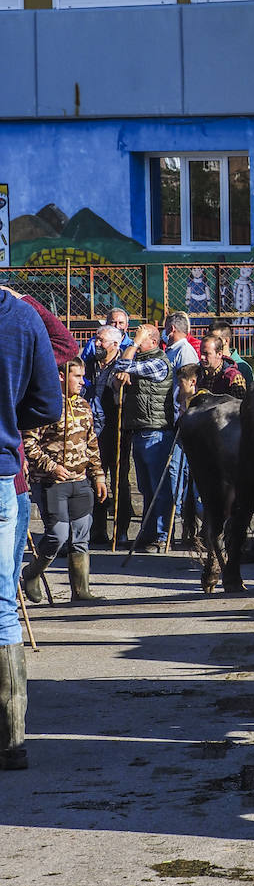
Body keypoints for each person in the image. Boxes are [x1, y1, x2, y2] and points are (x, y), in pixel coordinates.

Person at [0, 284, 64, 770]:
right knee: (2, 605)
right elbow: (48, 406)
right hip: (3, 472)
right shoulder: (22, 319)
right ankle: (10, 741)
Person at [21, 359, 107, 603]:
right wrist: (51, 467)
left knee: (81, 535)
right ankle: (31, 573)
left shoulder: (83, 405)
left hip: (80, 480)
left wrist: (98, 475)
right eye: (77, 376)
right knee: (57, 535)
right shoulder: (43, 405)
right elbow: (29, 443)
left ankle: (80, 591)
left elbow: (92, 444)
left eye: (83, 377)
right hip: (51, 482)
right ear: (61, 376)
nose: (83, 382)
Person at [111, 322, 178, 553]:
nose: (135, 342)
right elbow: (118, 371)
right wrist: (122, 373)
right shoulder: (139, 361)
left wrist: (133, 347)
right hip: (139, 430)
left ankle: (160, 536)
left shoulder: (159, 362)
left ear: (153, 340)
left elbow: (122, 364)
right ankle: (147, 533)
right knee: (145, 487)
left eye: (140, 338)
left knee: (158, 487)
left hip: (156, 431)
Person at [85, 325, 133, 549]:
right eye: (96, 339)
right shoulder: (92, 364)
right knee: (96, 479)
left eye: (101, 340)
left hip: (116, 429)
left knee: (119, 481)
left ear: (115, 344)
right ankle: (98, 529)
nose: (96, 343)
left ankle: (121, 530)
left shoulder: (122, 366)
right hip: (94, 431)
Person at [79, 309, 131, 376]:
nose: (117, 326)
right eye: (113, 322)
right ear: (106, 324)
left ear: (127, 326)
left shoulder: (131, 346)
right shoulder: (93, 342)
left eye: (121, 323)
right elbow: (84, 364)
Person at [208, 319, 254, 384]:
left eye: (215, 339)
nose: (210, 342)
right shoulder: (204, 364)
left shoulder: (242, 367)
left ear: (226, 340)